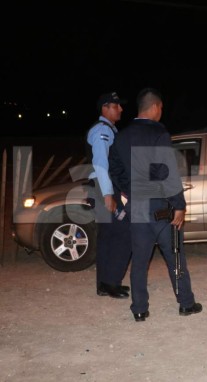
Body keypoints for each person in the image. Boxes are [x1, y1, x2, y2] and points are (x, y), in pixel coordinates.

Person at [109, 88, 202, 322]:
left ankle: (139, 309)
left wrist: (127, 189)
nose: (161, 112)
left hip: (137, 206)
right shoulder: (158, 134)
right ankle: (186, 304)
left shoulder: (122, 136)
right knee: (175, 257)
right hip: (160, 207)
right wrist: (179, 204)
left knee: (140, 260)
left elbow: (115, 168)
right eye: (161, 108)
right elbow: (166, 171)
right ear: (154, 108)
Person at [87, 91, 131, 299]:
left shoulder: (106, 130)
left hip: (101, 187)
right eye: (116, 105)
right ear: (105, 108)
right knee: (122, 233)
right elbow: (101, 165)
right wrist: (108, 195)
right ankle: (112, 282)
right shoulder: (103, 131)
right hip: (104, 187)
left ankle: (104, 284)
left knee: (107, 237)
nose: (120, 109)